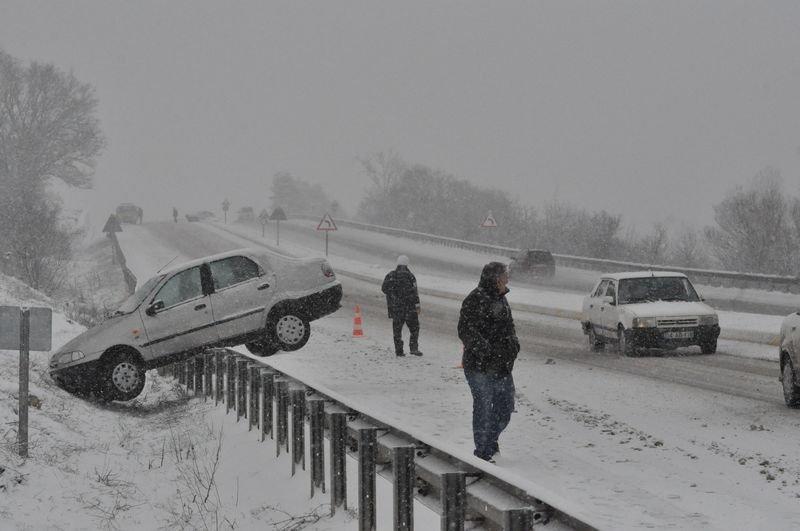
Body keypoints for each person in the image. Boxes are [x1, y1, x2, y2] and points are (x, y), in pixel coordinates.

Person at [458, 262, 520, 462]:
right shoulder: (475, 300)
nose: (507, 279)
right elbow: (466, 331)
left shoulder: (502, 300)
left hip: (502, 366)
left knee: (505, 408)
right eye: (505, 276)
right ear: (496, 279)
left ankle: (491, 441)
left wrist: (513, 345)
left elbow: (509, 328)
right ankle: (482, 452)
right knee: (484, 406)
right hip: (479, 367)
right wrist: (487, 351)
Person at [381, 255, 422, 357]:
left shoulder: (391, 275)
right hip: (410, 308)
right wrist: (417, 306)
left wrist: (393, 295)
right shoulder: (411, 276)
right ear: (407, 264)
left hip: (396, 308)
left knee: (397, 331)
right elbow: (415, 292)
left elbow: (384, 289)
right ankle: (414, 348)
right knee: (414, 328)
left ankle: (399, 350)